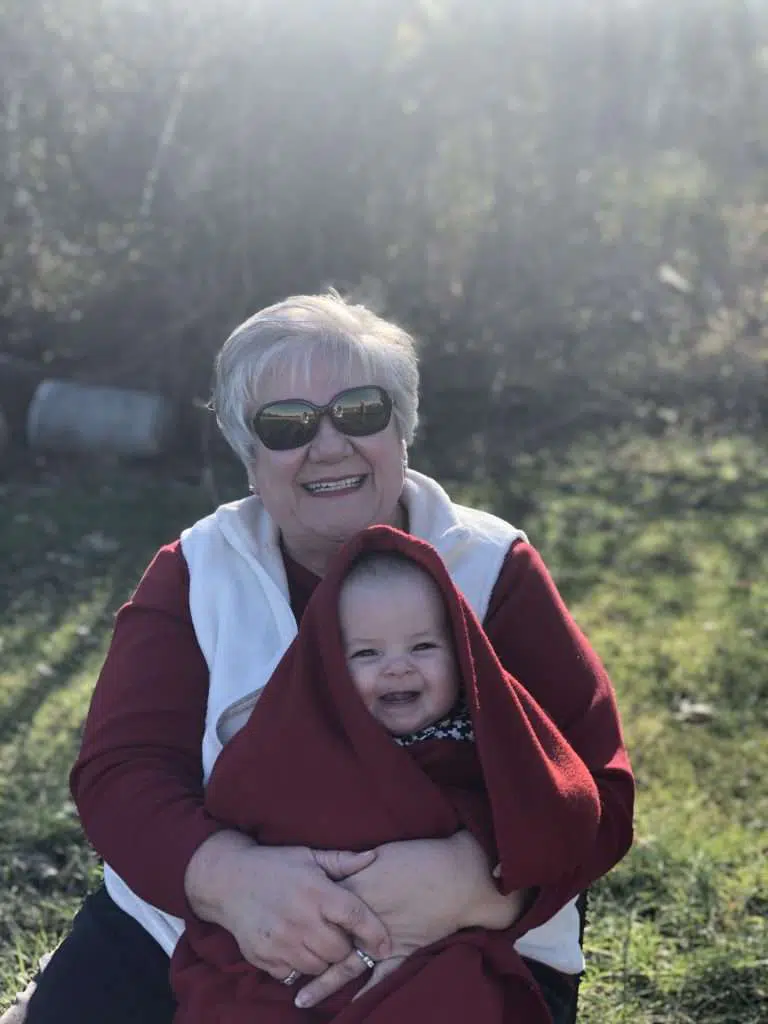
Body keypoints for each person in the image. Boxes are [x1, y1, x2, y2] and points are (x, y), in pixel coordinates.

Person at [14, 291, 633, 1024]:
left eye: (361, 412)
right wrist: (226, 879)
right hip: (209, 926)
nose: (330, 445)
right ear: (250, 457)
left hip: (464, 936)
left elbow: (598, 784)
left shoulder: (493, 565)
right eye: (288, 426)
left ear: (403, 428)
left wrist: (476, 881)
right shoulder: (197, 572)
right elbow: (121, 769)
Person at [170, 525, 603, 1023]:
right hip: (300, 955)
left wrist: (483, 855)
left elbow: (562, 808)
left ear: (462, 651)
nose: (397, 668)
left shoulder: (483, 735)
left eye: (422, 647)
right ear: (328, 663)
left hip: (433, 956)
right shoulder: (291, 741)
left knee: (458, 999)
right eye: (367, 654)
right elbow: (238, 805)